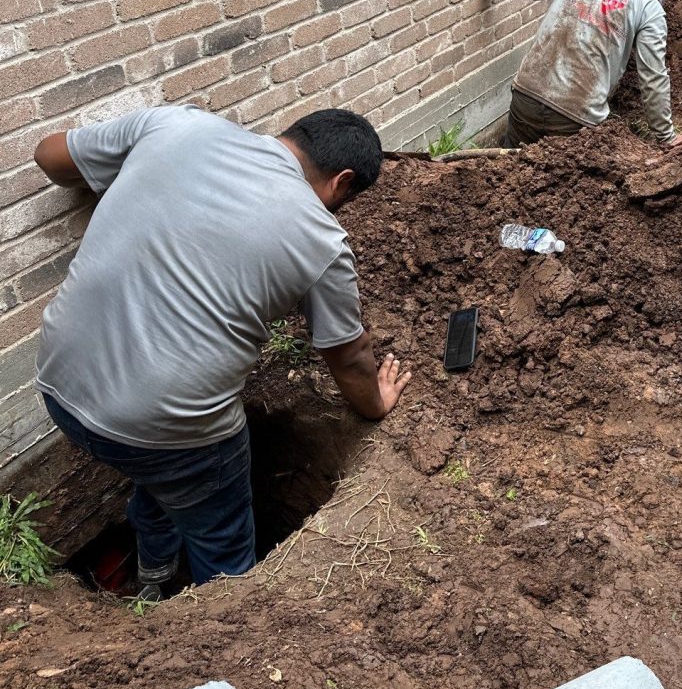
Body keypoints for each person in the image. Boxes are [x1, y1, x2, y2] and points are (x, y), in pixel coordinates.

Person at [33, 105, 410, 598]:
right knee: (219, 531)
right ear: (342, 183)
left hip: (60, 388)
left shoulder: (176, 124)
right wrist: (376, 403)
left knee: (162, 472)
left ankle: (152, 576)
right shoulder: (322, 240)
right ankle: (218, 610)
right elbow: (347, 355)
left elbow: (49, 155)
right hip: (168, 432)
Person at [481, 0, 682, 149]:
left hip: (527, 93)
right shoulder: (652, 9)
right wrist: (666, 136)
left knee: (510, 165)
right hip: (576, 116)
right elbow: (653, 76)